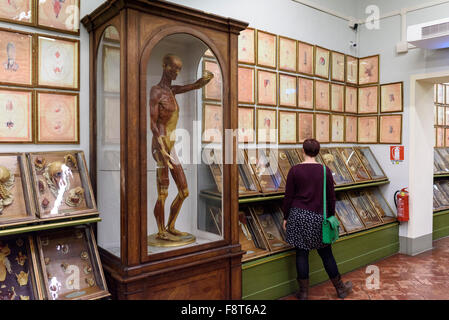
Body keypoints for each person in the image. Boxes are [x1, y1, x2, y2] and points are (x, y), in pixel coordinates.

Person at [149, 54, 213, 242]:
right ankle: (161, 231)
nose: (176, 72)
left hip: (171, 147)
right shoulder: (156, 92)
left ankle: (171, 227)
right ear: (164, 65)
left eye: (179, 69)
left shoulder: (172, 91)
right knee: (163, 191)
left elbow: (191, 86)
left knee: (184, 191)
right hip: (160, 147)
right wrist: (161, 148)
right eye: (173, 68)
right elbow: (152, 124)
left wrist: (203, 81)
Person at [282, 139, 352, 300]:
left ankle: (304, 293)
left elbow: (288, 197)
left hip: (298, 216)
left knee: (301, 253)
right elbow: (331, 198)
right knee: (327, 254)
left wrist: (286, 217)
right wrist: (330, 216)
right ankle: (340, 289)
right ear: (318, 152)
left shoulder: (294, 170)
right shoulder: (325, 170)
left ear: (302, 151)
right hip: (319, 217)